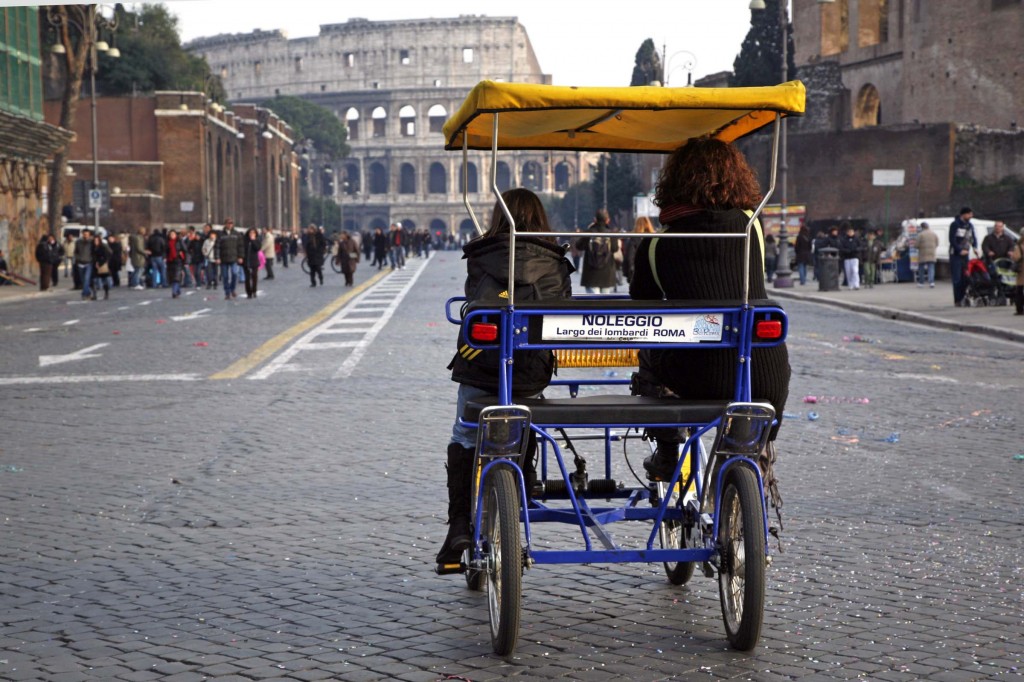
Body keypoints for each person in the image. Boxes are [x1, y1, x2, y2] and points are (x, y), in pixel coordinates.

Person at [629, 137, 790, 503]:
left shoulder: (656, 247)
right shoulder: (753, 228)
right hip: (763, 375)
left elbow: (641, 314)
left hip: (695, 375)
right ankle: (753, 466)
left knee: (651, 347)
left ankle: (669, 449)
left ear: (673, 183)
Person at [437, 188, 574, 570]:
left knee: (465, 435)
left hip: (481, 368)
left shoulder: (479, 255)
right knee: (524, 411)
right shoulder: (556, 262)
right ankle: (523, 476)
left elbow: (472, 303)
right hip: (529, 374)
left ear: (499, 217)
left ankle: (459, 525)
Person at [575, 208, 619, 294]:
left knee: (593, 302)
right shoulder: (611, 233)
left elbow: (579, 246)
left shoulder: (589, 232)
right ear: (608, 220)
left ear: (595, 220)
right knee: (605, 302)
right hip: (607, 274)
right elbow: (615, 248)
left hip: (591, 273)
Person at [949, 207, 977, 306]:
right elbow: (952, 240)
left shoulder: (969, 225)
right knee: (957, 278)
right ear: (963, 215)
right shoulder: (955, 224)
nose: (971, 216)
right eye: (969, 214)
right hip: (956, 255)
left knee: (965, 277)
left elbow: (973, 237)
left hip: (966, 254)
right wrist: (959, 250)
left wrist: (975, 247)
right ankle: (957, 299)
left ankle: (964, 297)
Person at [623, 216, 654, 283]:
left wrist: (628, 273)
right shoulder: (653, 239)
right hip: (651, 272)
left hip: (637, 273)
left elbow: (629, 257)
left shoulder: (633, 239)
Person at [217, 218, 242, 299]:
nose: (230, 225)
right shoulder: (220, 234)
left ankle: (232, 289)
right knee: (225, 276)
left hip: (234, 257)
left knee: (235, 274)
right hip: (223, 258)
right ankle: (227, 292)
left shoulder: (237, 234)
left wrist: (240, 256)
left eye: (231, 223)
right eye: (228, 223)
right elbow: (217, 247)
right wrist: (217, 257)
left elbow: (240, 246)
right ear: (225, 224)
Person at [837, 222, 862, 290]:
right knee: (848, 272)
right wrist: (846, 250)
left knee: (855, 270)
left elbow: (861, 246)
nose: (850, 233)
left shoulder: (856, 239)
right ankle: (850, 284)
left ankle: (856, 284)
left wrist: (856, 250)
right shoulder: (844, 240)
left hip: (854, 257)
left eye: (851, 231)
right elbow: (841, 248)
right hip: (847, 257)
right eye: (849, 232)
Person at [915, 221, 939, 287]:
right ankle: (931, 282)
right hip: (932, 253)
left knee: (921, 268)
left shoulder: (921, 234)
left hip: (923, 253)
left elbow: (916, 245)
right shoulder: (934, 234)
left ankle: (921, 282)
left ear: (922, 227)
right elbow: (937, 243)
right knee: (931, 268)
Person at [73, 228, 95, 300]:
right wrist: (77, 258)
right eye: (84, 234)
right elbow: (76, 251)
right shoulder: (78, 242)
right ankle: (88, 292)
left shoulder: (92, 242)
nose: (85, 236)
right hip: (80, 263)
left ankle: (84, 294)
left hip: (89, 262)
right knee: (83, 280)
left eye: (87, 234)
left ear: (89, 235)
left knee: (86, 279)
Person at [90, 233, 113, 300]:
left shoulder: (103, 247)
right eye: (94, 241)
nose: (95, 242)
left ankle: (106, 293)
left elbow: (106, 256)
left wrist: (100, 263)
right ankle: (94, 294)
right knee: (93, 280)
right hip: (94, 265)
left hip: (102, 265)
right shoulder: (92, 247)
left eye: (97, 241)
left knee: (104, 280)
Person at [166, 229, 187, 298]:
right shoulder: (167, 242)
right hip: (170, 261)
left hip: (178, 260)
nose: (172, 236)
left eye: (173, 234)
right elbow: (165, 251)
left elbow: (185, 250)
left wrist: (186, 260)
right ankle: (177, 290)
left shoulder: (179, 241)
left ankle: (174, 291)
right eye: (171, 234)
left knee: (176, 276)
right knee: (172, 277)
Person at [242, 227, 262, 299]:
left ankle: (254, 291)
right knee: (247, 278)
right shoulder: (245, 240)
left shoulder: (257, 240)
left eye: (253, 233)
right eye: (250, 233)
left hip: (254, 261)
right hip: (246, 260)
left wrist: (253, 240)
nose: (251, 234)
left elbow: (258, 248)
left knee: (254, 277)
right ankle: (248, 292)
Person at [1010, 234, 1024, 316]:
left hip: (1021, 271)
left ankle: (1020, 309)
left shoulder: (1019, 246)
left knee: (1019, 290)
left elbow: (1016, 257)